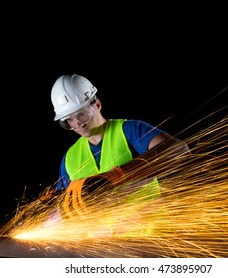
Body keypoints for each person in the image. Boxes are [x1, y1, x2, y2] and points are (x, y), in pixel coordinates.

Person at [46, 74, 190, 234]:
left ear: (97, 104)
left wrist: (116, 175)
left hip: (151, 240)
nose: (77, 124)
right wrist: (49, 206)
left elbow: (179, 150)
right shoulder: (69, 158)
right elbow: (63, 203)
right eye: (69, 120)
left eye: (81, 114)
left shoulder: (129, 130)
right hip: (102, 250)